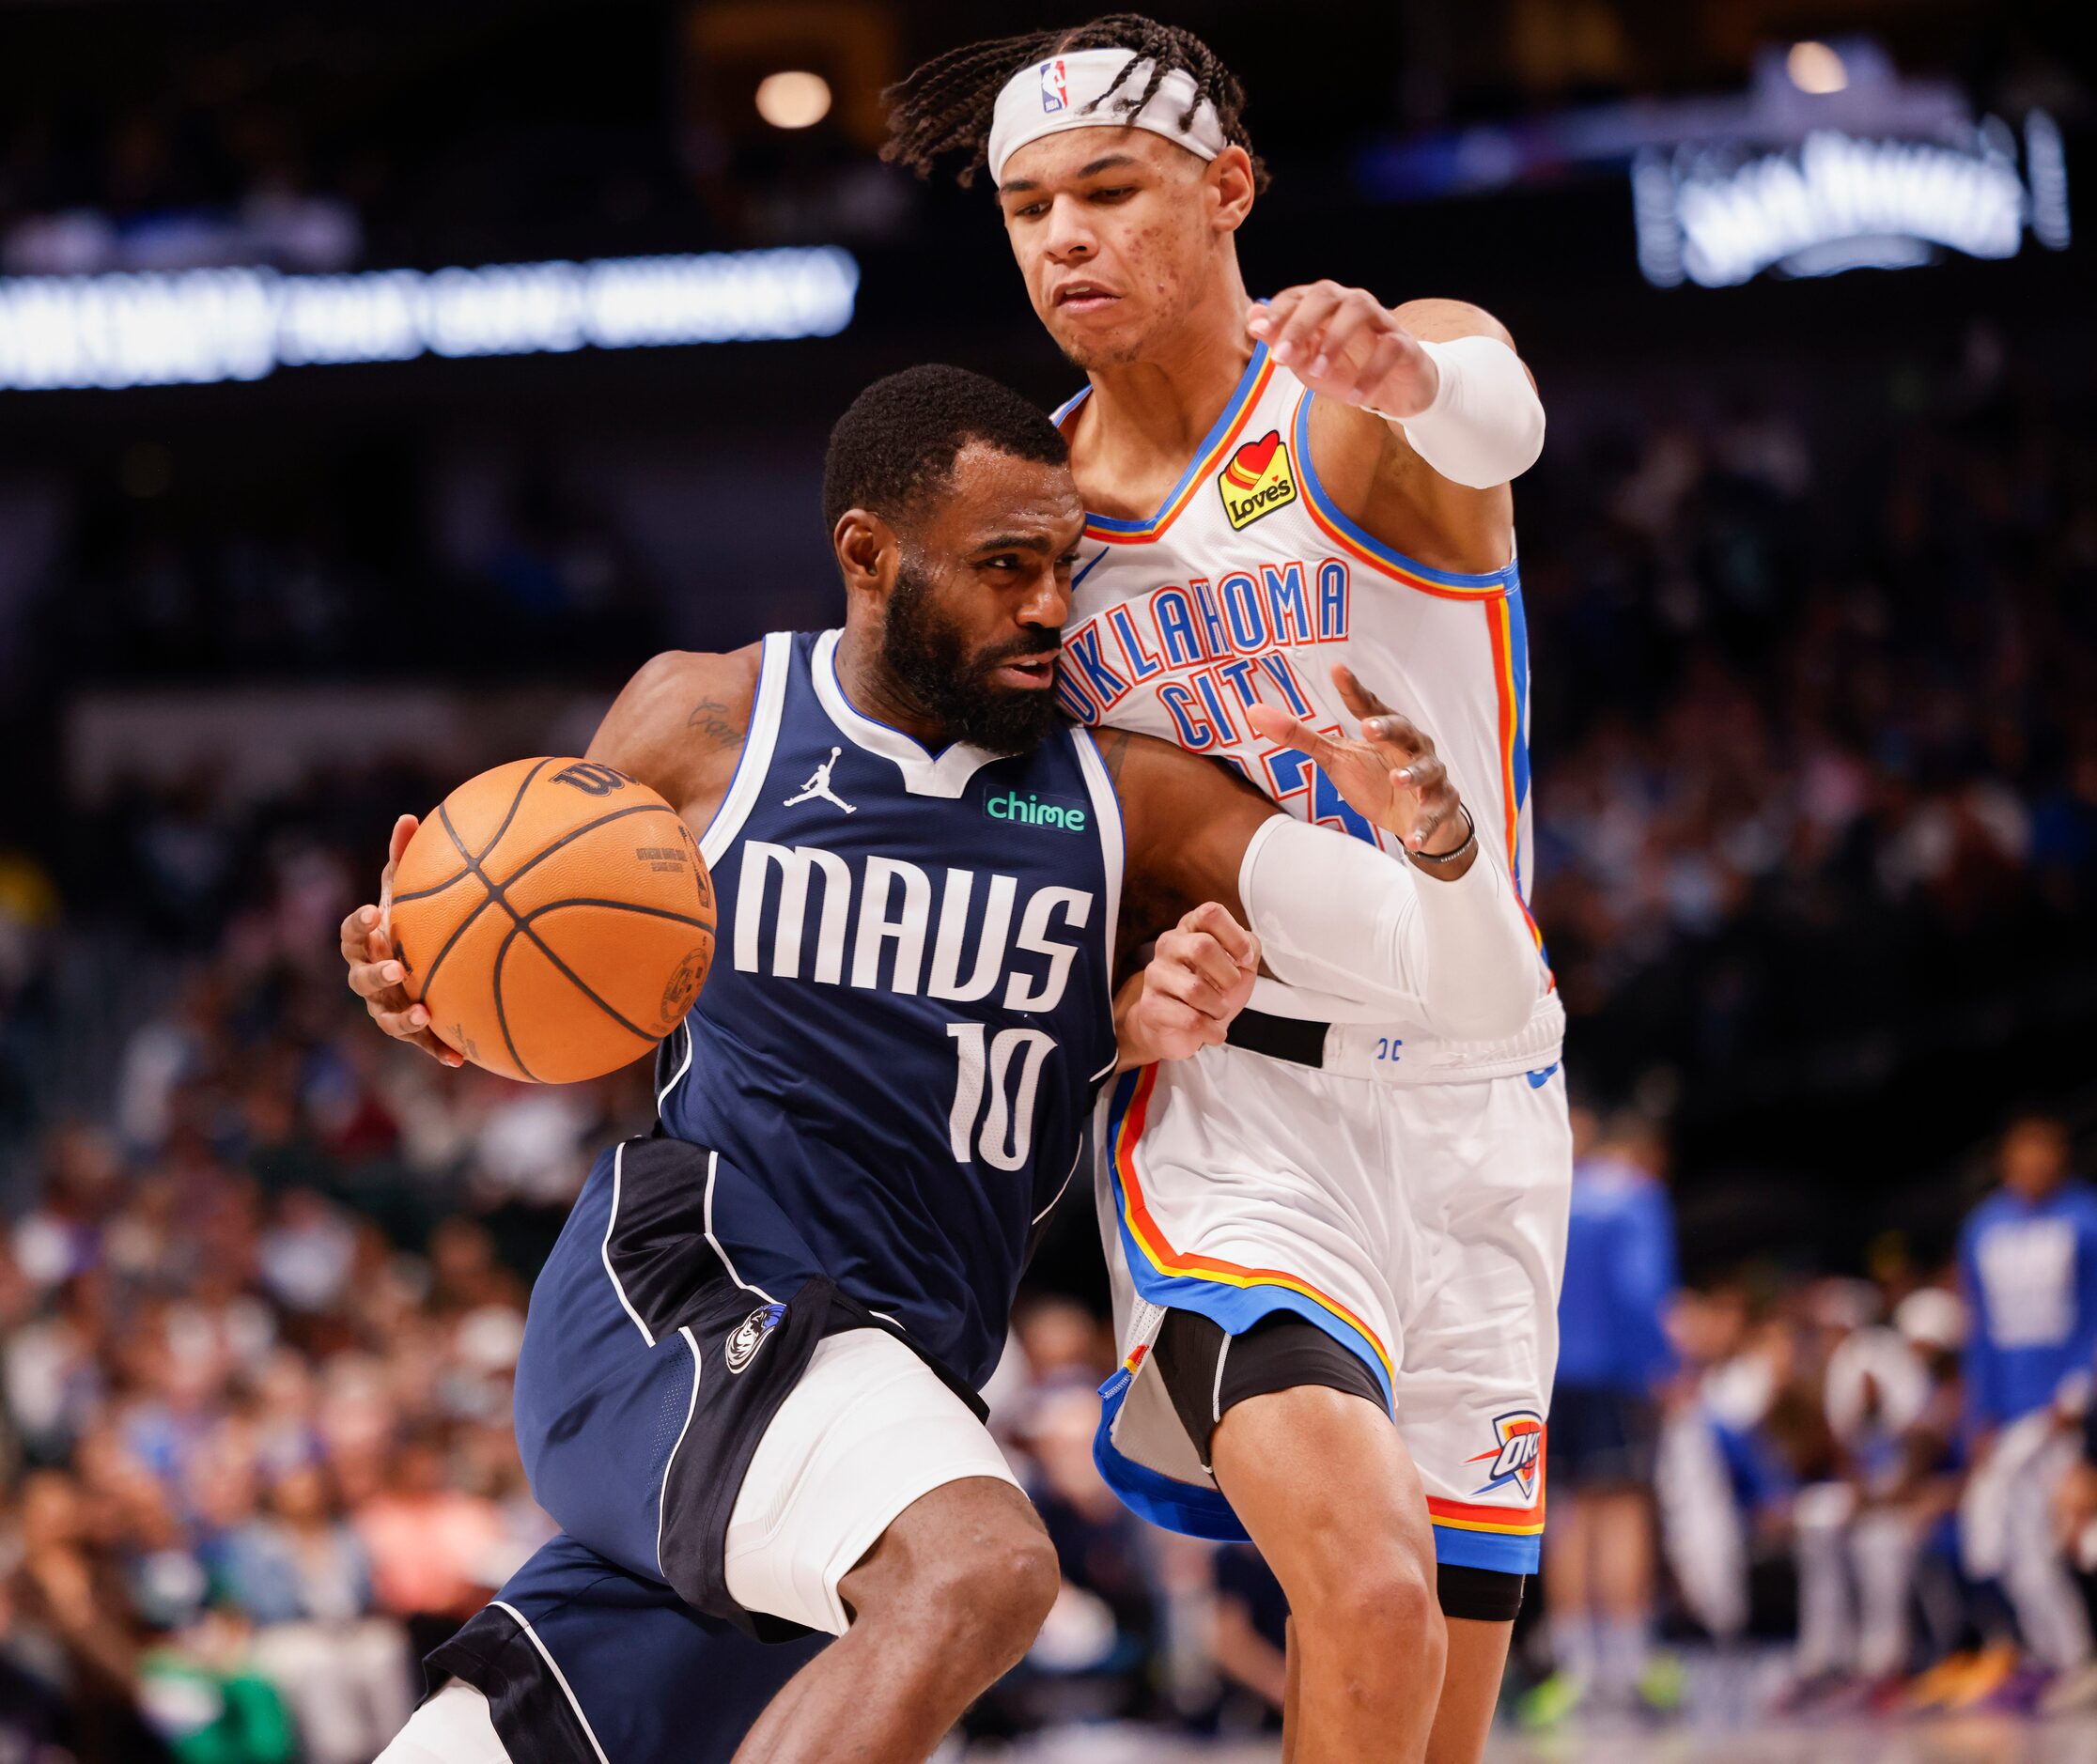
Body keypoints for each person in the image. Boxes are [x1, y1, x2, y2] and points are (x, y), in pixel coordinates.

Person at [349, 364, 1545, 1764]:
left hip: (898, 1378)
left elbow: (1472, 985)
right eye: (1005, 566)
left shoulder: (1125, 798)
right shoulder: (707, 719)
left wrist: (1445, 848)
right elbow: (541, 960)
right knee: (982, 1567)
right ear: (870, 553)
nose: (1050, 604)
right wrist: (421, 983)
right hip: (688, 1291)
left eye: (1064, 566)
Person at [881, 18, 1565, 1759]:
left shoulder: (1356, 402)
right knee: (1369, 1592)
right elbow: (1011, 838)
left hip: (1488, 1100)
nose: (1063, 239)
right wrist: (1118, 1000)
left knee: (1437, 1719)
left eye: (1108, 189)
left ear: (1227, 191)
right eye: (1028, 207)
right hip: (1237, 1114)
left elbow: (1497, 416)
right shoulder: (1024, 527)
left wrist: (1407, 374)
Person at [1525, 1110, 1675, 1723]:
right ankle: (1628, 1668)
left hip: (1553, 1371)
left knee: (1567, 1516)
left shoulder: (1557, 1193)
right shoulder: (1634, 1196)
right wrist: (1662, 1364)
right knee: (1621, 1513)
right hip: (1613, 1372)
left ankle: (1575, 1671)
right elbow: (1640, 1290)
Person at [1952, 1111, 2097, 1698]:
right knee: (2007, 1546)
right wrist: (1979, 1414)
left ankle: (2072, 1654)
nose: (2034, 1164)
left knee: (2077, 1537)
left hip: (2067, 1411)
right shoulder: (1983, 1228)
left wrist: (2078, 1392)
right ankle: (2062, 1655)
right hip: (2010, 1414)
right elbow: (1979, 1331)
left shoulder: (2086, 1218)